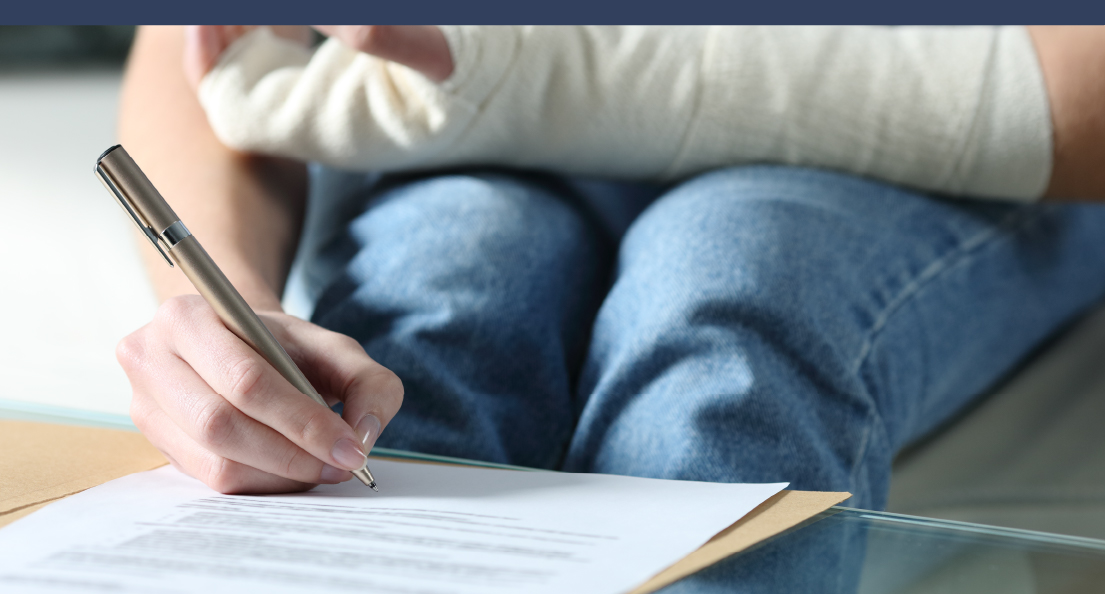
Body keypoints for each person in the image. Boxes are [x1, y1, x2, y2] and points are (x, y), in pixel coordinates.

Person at [115, 25, 1105, 510]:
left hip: (939, 145)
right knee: (430, 319)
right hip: (470, 133)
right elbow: (212, 46)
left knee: (729, 307)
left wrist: (524, 67)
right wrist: (227, 313)